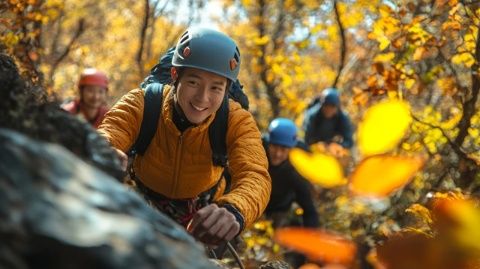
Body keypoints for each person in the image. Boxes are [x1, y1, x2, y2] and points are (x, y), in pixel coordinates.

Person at [98, 27, 271, 247]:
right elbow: (111, 131)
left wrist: (235, 208)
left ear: (227, 90)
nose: (202, 98)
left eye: (216, 88)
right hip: (144, 201)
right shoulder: (143, 103)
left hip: (204, 214)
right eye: (193, 82)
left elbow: (255, 174)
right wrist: (104, 150)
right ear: (175, 76)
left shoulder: (236, 120)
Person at [263, 118, 319, 228]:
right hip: (253, 203)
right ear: (268, 143)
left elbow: (309, 208)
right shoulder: (256, 151)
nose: (278, 154)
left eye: (283, 149)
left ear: (291, 149)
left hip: (280, 208)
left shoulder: (296, 168)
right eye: (274, 146)